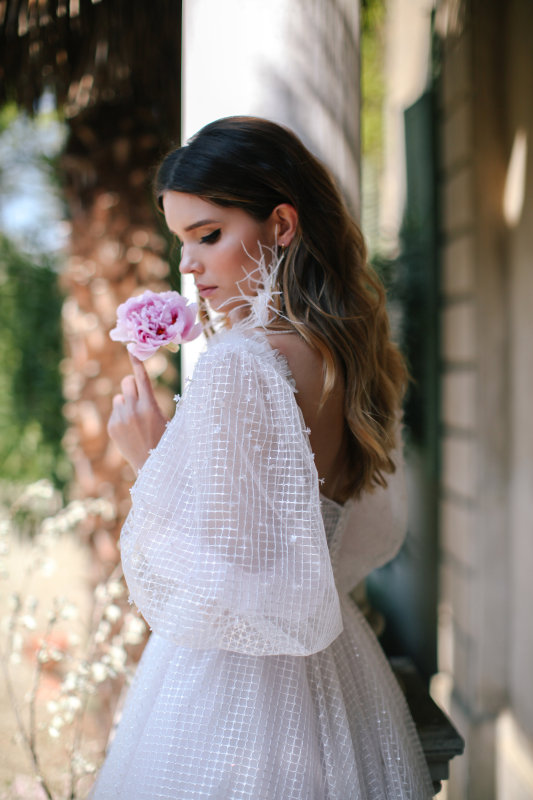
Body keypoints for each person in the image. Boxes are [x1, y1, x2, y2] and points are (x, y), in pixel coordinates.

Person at [91, 116, 434, 799]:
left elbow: (235, 583)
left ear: (281, 225)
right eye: (181, 241)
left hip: (236, 692)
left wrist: (150, 461)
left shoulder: (242, 365)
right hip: (337, 675)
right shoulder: (345, 355)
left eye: (209, 236)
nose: (188, 266)